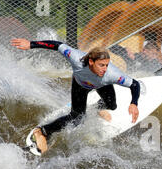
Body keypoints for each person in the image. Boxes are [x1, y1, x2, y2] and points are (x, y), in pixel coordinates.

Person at [10, 38, 140, 154]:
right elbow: (57, 45)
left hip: (101, 84)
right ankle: (43, 131)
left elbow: (134, 84)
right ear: (91, 62)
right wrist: (31, 44)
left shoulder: (111, 74)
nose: (104, 69)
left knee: (111, 106)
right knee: (77, 118)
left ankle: (94, 108)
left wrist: (134, 103)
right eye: (101, 65)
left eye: (106, 65)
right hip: (80, 85)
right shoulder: (75, 58)